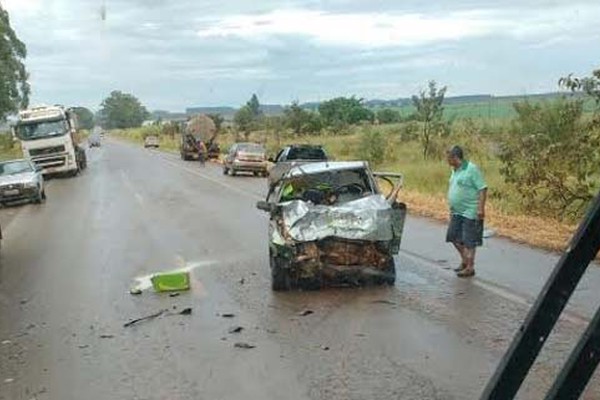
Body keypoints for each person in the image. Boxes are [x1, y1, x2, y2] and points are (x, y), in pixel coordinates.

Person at [446, 145, 487, 278]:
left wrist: (481, 208)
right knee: (453, 236)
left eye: (448, 157)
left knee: (469, 241)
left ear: (455, 157)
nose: (447, 160)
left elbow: (482, 189)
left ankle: (470, 267)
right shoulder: (454, 170)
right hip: (457, 211)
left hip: (470, 211)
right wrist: (451, 208)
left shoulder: (471, 169)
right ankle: (466, 260)